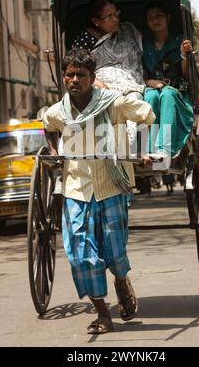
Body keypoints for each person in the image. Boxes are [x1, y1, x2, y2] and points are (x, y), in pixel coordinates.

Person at [42, 49, 155, 335]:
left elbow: (147, 114)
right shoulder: (59, 111)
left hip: (111, 186)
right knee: (80, 254)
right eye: (69, 74)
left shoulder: (113, 104)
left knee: (114, 252)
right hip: (76, 189)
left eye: (81, 75)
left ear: (93, 78)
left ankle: (120, 279)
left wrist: (141, 147)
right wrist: (55, 151)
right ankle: (103, 313)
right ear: (64, 78)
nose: (74, 80)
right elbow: (47, 126)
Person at [72, 0, 146, 147]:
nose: (115, 19)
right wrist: (98, 84)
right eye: (109, 17)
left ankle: (128, 149)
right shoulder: (85, 41)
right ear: (96, 21)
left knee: (133, 104)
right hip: (100, 86)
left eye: (116, 14)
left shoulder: (127, 31)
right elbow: (78, 69)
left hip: (132, 83)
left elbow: (138, 59)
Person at [143, 2, 194, 159]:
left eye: (159, 16)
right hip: (152, 88)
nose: (155, 20)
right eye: (150, 18)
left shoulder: (181, 41)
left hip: (176, 93)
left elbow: (187, 75)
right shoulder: (144, 45)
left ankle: (164, 149)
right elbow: (142, 75)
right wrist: (151, 83)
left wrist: (184, 55)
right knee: (150, 96)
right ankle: (148, 149)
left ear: (168, 18)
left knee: (167, 94)